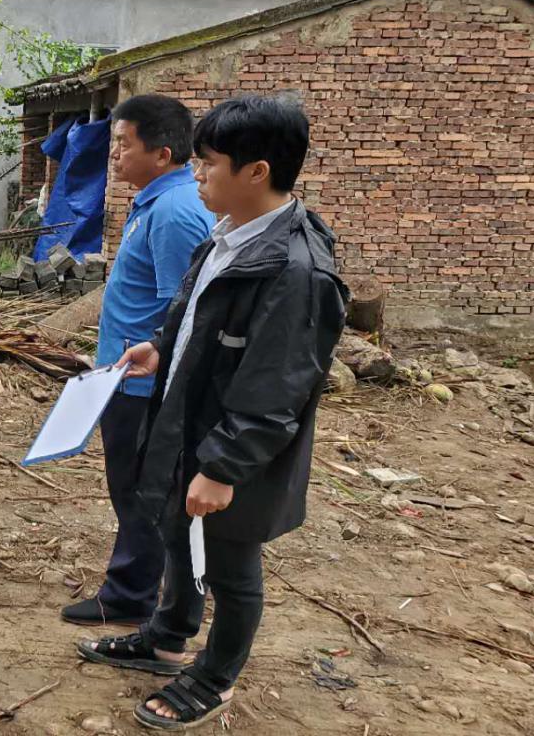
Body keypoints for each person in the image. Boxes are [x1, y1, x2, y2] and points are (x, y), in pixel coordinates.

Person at [78, 94, 348, 729]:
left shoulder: (297, 272)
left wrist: (223, 468)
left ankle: (216, 675)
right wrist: (161, 350)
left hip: (234, 443)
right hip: (190, 420)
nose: (196, 175)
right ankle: (168, 637)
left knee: (230, 560)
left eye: (208, 164)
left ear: (256, 171)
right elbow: (199, 316)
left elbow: (276, 388)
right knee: (178, 532)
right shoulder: (229, 235)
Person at [62, 95, 214, 627]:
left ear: (163, 152)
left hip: (143, 384)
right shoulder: (154, 202)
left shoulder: (174, 213)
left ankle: (130, 597)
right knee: (129, 489)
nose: (116, 155)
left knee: (141, 493)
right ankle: (137, 588)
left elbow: (185, 308)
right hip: (123, 377)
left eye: (124, 144)